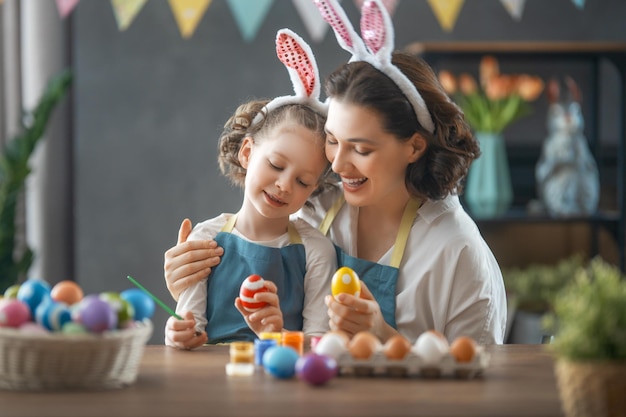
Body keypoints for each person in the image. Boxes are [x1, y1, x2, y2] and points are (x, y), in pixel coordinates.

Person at [164, 0, 507, 346]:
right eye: (332, 141)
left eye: (361, 149)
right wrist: (192, 283)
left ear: (414, 147)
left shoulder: (457, 251)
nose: (338, 166)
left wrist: (383, 336)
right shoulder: (316, 207)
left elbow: (475, 383)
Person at [164, 29, 337, 350]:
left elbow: (320, 346)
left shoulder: (316, 251)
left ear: (314, 188)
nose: (285, 185)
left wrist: (277, 334)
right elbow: (188, 328)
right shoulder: (206, 239)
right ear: (247, 153)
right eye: (276, 164)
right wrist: (178, 334)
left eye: (302, 181)